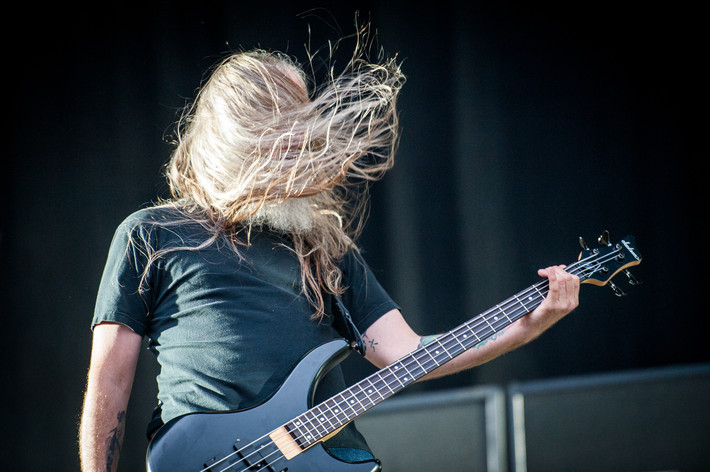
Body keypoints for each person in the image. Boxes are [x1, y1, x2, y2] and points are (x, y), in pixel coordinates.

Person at [78, 33, 580, 472]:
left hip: (325, 457)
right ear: (236, 137)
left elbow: (406, 354)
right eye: (283, 127)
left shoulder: (323, 247)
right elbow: (109, 378)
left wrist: (526, 328)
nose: (303, 141)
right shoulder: (153, 234)